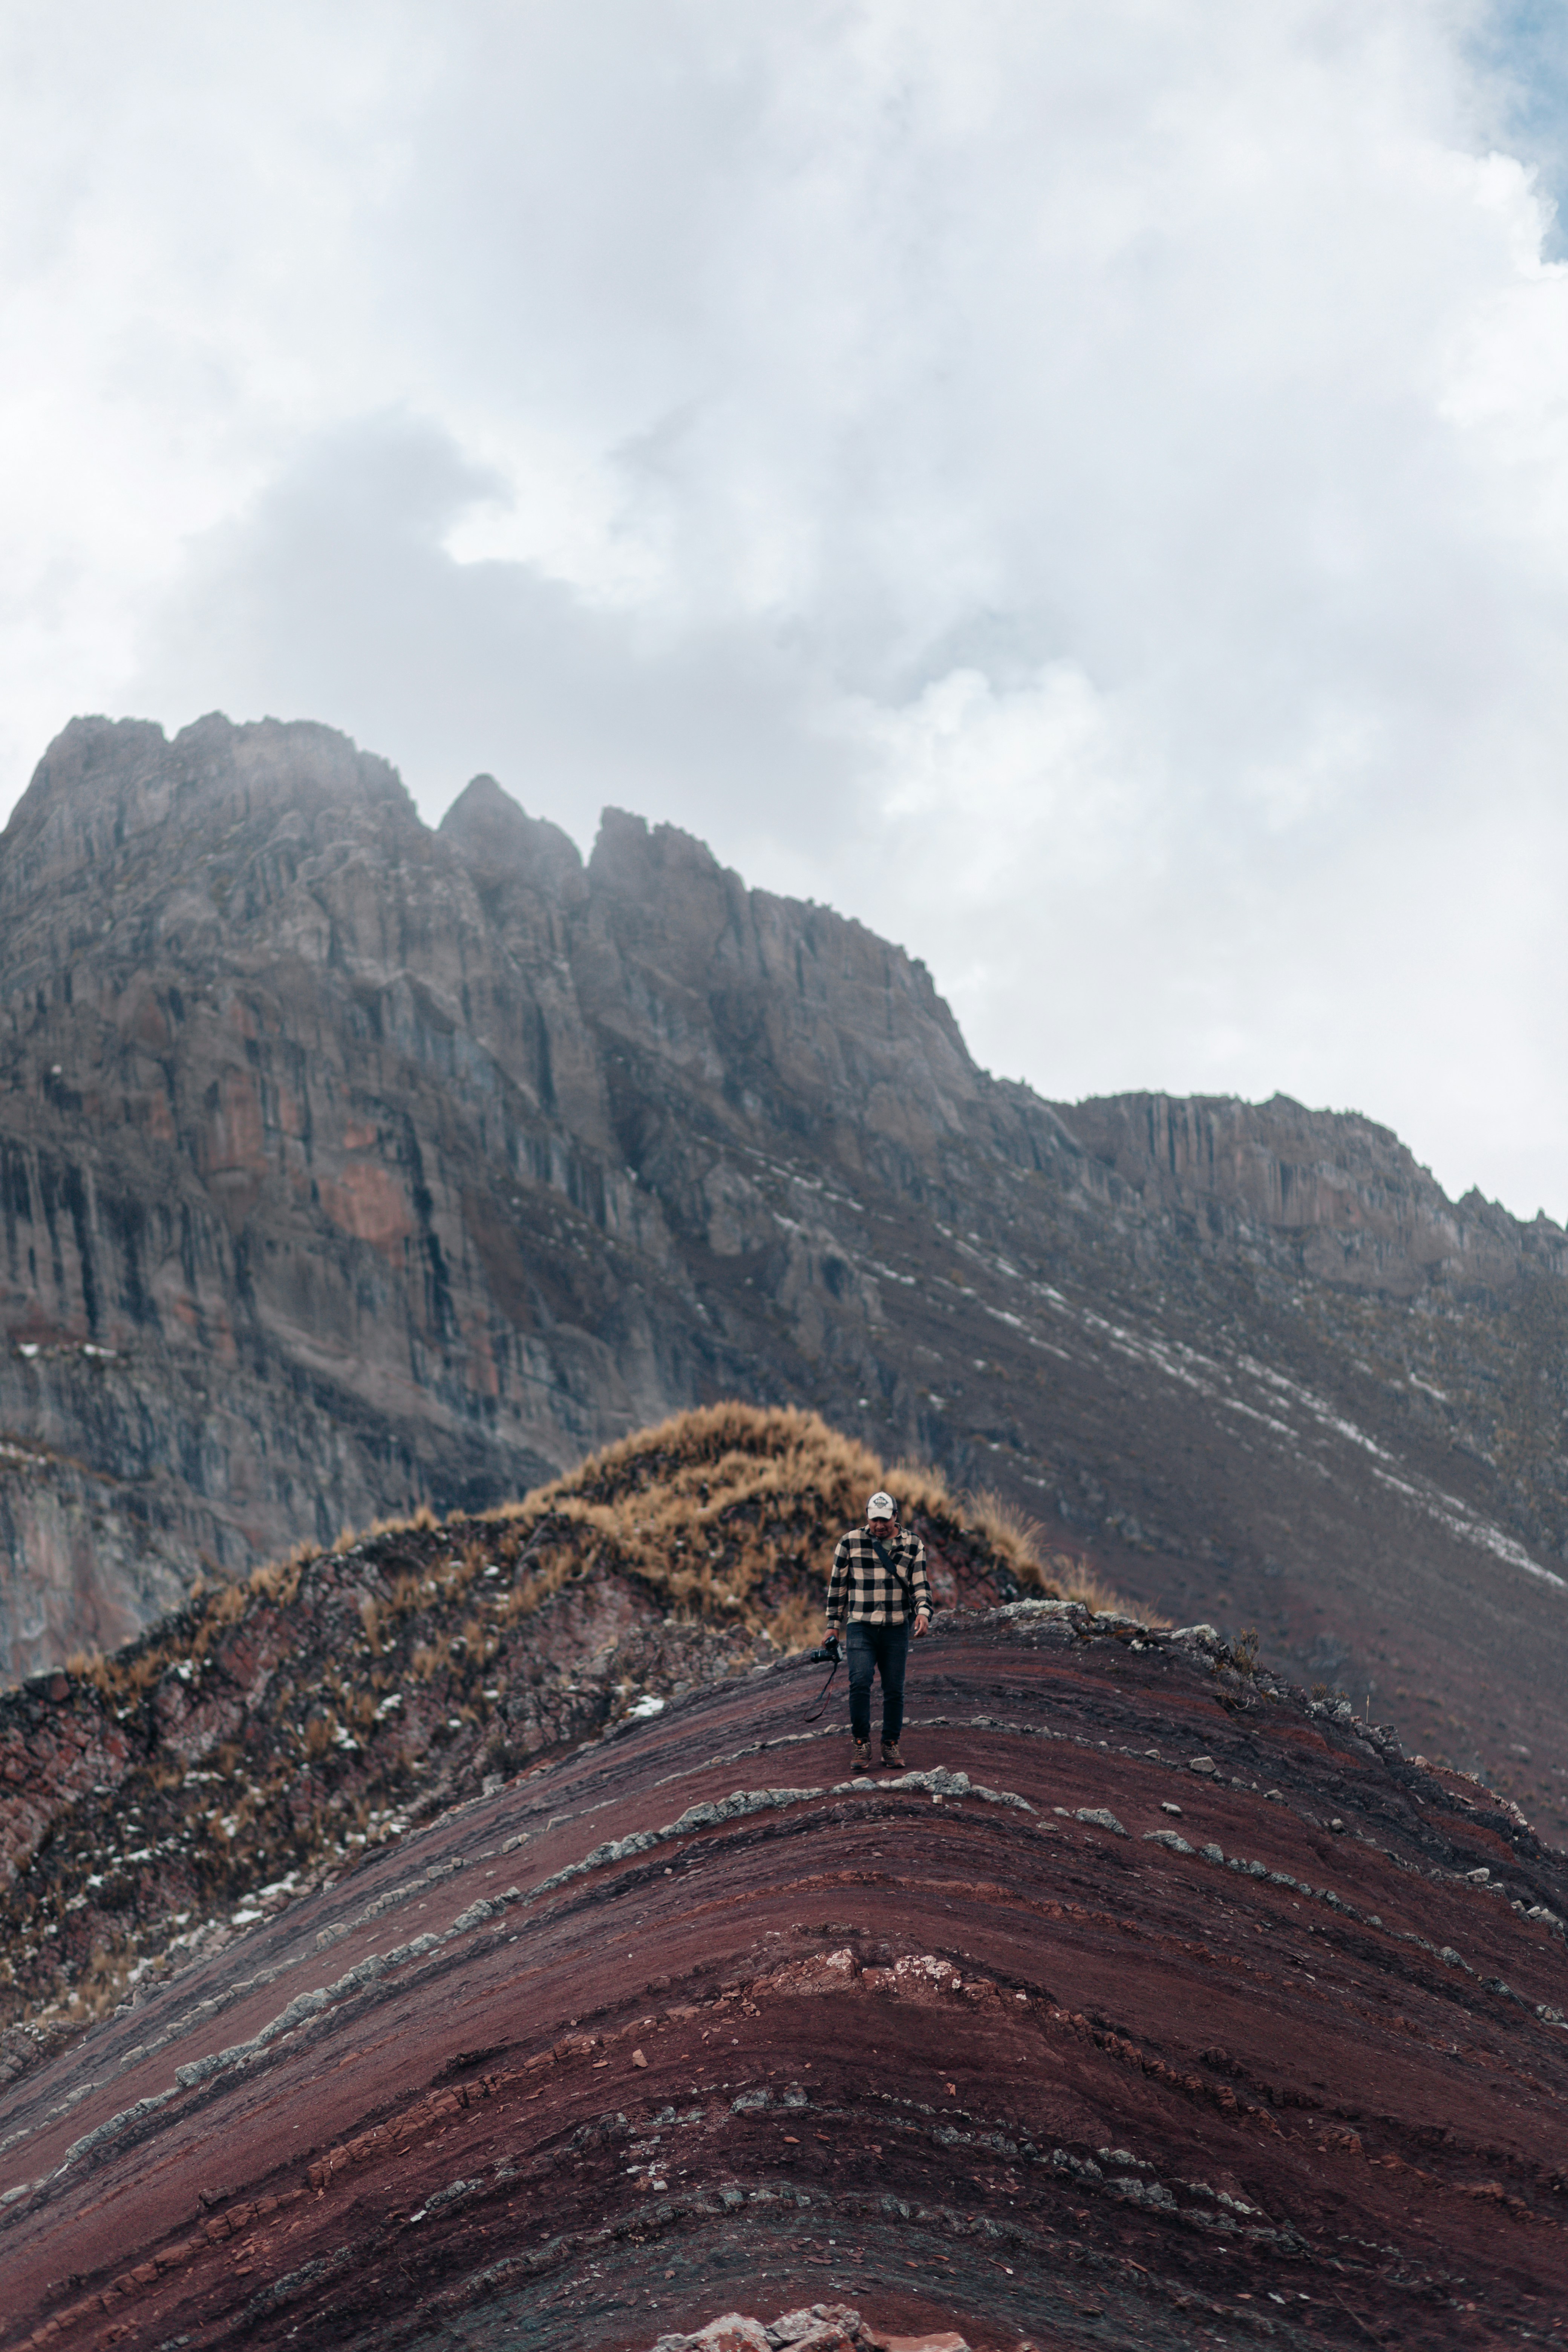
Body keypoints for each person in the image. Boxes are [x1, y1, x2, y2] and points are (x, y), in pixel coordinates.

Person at [823, 1489, 932, 1772]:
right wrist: (833, 1626)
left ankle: (890, 1743)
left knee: (894, 1688)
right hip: (861, 1625)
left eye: (885, 1519)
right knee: (859, 1683)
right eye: (875, 1520)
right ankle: (861, 1744)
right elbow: (838, 1587)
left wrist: (923, 1613)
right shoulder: (849, 1542)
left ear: (896, 1516)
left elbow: (921, 1585)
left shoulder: (913, 1544)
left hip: (897, 1626)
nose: (880, 1526)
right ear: (868, 1518)